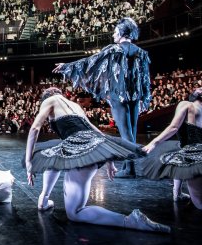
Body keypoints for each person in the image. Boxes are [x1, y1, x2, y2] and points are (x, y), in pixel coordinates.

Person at [24, 87, 169, 233]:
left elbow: (35, 129)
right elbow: (97, 132)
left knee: (75, 213)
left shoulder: (50, 100)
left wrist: (29, 162)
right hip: (93, 146)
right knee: (52, 153)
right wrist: (109, 160)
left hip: (80, 150)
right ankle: (43, 200)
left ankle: (129, 221)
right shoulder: (75, 106)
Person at [53, 17, 150, 178]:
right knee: (131, 130)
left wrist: (67, 67)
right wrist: (144, 97)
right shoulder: (141, 52)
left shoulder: (114, 49)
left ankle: (130, 168)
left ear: (121, 32)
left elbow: (91, 61)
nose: (113, 35)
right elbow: (145, 78)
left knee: (126, 133)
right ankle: (129, 165)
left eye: (115, 32)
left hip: (118, 95)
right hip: (135, 96)